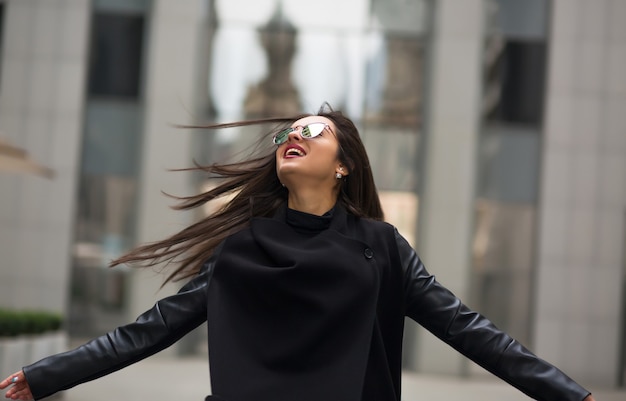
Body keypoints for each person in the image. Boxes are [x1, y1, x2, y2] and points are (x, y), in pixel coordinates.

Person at [1, 106, 596, 401]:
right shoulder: (239, 250)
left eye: (312, 133)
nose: (293, 136)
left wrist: (570, 394)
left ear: (343, 165)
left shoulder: (380, 247)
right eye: (290, 132)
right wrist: (40, 377)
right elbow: (145, 333)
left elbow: (469, 330)